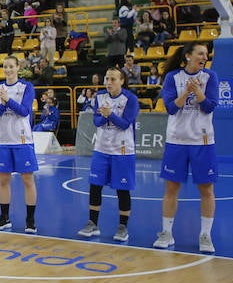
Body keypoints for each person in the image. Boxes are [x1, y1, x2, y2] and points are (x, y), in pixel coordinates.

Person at [154, 42, 218, 252]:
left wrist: (198, 92)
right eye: (200, 53)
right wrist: (186, 93)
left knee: (206, 190)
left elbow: (209, 106)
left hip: (203, 141)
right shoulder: (173, 77)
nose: (204, 57)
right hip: (177, 141)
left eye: (206, 54)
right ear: (188, 56)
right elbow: (171, 108)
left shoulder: (211, 77)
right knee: (171, 189)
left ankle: (205, 236)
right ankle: (166, 233)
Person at [77, 68, 139, 242]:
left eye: (113, 79)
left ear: (122, 81)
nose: (109, 82)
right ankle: (92, 223)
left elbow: (126, 124)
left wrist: (110, 114)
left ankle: (122, 227)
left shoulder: (130, 99)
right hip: (101, 149)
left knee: (122, 189)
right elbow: (96, 121)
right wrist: (105, 117)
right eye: (107, 79)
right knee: (95, 186)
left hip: (123, 150)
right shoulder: (100, 97)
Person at [0, 56, 38, 233]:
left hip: (22, 140)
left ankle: (30, 220)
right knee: (3, 180)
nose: (8, 70)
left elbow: (24, 111)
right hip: (3, 140)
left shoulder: (26, 87)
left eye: (11, 66)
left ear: (18, 67)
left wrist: (8, 101)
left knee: (27, 179)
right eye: (5, 67)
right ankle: (4, 217)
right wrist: (2, 105)